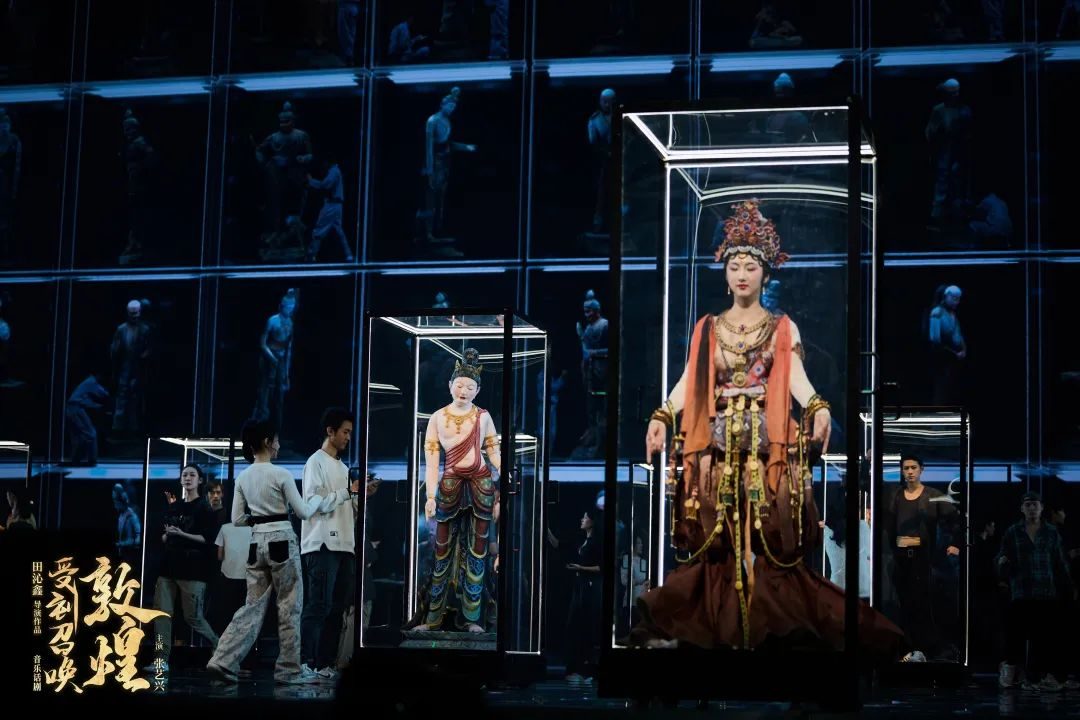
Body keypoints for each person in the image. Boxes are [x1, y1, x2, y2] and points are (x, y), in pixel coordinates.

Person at [636, 199, 903, 654]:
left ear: (765, 273)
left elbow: (796, 379)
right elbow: (689, 381)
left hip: (766, 448)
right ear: (724, 273)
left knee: (767, 541)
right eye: (735, 266)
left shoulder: (781, 327)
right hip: (717, 450)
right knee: (720, 544)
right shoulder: (709, 327)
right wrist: (662, 415)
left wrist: (818, 406)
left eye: (751, 267)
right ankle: (720, 631)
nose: (742, 274)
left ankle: (765, 629)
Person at [207, 420, 324, 685]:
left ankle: (222, 660)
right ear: (268, 442)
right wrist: (318, 498)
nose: (279, 446)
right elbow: (304, 512)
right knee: (289, 607)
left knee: (251, 607)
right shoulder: (281, 474)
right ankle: (289, 671)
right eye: (277, 441)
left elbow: (237, 519)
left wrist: (257, 521)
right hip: (282, 539)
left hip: (255, 543)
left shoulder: (243, 477)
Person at [414, 348, 501, 633]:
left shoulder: (483, 416)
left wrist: (505, 471)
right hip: (449, 486)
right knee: (442, 553)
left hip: (480, 484)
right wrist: (429, 496)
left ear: (478, 391)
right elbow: (432, 462)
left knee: (477, 553)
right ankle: (433, 618)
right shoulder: (437, 417)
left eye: (470, 387)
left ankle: (471, 618)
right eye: (460, 385)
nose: (464, 391)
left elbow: (493, 451)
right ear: (450, 385)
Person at [882, 454, 961, 662]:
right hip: (900, 561)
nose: (910, 472)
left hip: (923, 561)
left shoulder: (932, 496)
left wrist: (956, 544)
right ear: (902, 470)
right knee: (902, 606)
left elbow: (956, 520)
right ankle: (908, 650)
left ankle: (924, 649)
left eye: (913, 467)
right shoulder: (895, 496)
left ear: (921, 469)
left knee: (922, 606)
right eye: (906, 468)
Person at [301, 407, 359, 682]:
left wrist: (358, 495)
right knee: (319, 606)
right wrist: (347, 492)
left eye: (350, 432)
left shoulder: (344, 467)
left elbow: (345, 505)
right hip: (322, 544)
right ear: (330, 431)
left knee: (337, 609)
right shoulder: (315, 462)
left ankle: (325, 663)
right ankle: (305, 662)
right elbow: (314, 504)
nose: (348, 437)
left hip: (345, 546)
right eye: (345, 432)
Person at [996, 491, 1076, 691]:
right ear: (1022, 508)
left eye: (1035, 504)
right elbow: (1002, 556)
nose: (1032, 508)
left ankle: (1035, 677)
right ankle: (1012, 671)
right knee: (1016, 635)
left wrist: (1069, 585)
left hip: (1046, 591)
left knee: (1043, 637)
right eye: (1028, 504)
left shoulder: (1051, 532)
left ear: (1041, 507)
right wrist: (1002, 566)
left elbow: (1060, 561)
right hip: (1021, 590)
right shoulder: (1013, 531)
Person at [148, 464, 220, 672]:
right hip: (168, 567)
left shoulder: (204, 508)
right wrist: (167, 535)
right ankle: (161, 660)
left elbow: (207, 539)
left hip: (192, 569)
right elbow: (163, 536)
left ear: (200, 480)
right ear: (181, 479)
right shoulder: (174, 506)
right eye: (185, 475)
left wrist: (181, 534)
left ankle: (220, 646)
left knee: (193, 617)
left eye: (192, 475)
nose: (187, 478)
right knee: (161, 614)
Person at [252, 289, 297, 433]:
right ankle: (259, 425)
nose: (290, 309)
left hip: (281, 360)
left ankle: (276, 431)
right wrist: (272, 358)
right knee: (264, 393)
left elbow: (289, 348)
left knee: (279, 396)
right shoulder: (272, 320)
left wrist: (286, 374)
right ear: (281, 306)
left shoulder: (290, 323)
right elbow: (263, 343)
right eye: (287, 306)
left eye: (292, 307)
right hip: (268, 358)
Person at [927, 284, 965, 405]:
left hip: (955, 361)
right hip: (943, 360)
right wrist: (953, 354)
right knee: (942, 392)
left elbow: (959, 334)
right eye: (954, 298)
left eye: (958, 299)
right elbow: (935, 340)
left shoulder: (953, 314)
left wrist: (964, 350)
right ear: (946, 296)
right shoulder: (937, 313)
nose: (957, 302)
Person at [65, 373, 109, 465]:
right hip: (75, 409)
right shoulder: (92, 382)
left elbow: (86, 400)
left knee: (78, 437)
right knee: (91, 434)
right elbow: (104, 394)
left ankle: (75, 460)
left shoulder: (87, 383)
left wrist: (96, 405)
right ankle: (92, 460)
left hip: (72, 409)